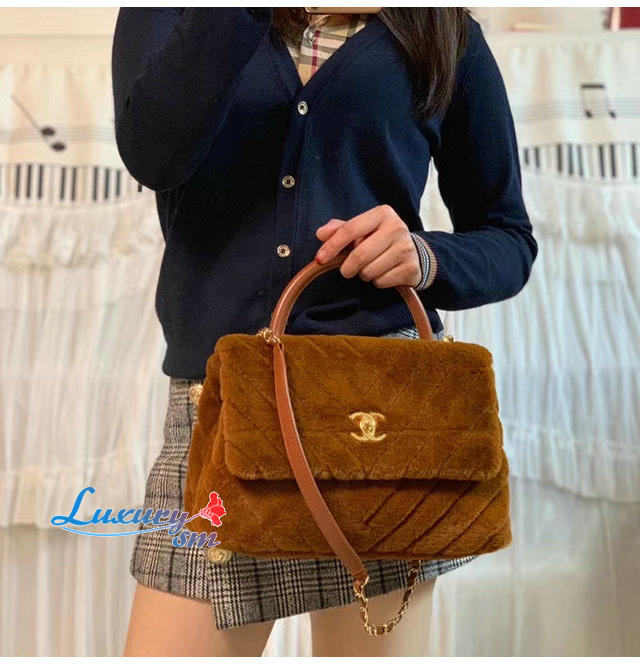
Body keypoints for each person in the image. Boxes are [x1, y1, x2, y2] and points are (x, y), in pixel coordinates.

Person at [111, 7, 537, 657]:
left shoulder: (441, 26)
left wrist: (424, 257)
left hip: (378, 419)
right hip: (217, 409)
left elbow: (508, 237)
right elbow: (153, 154)